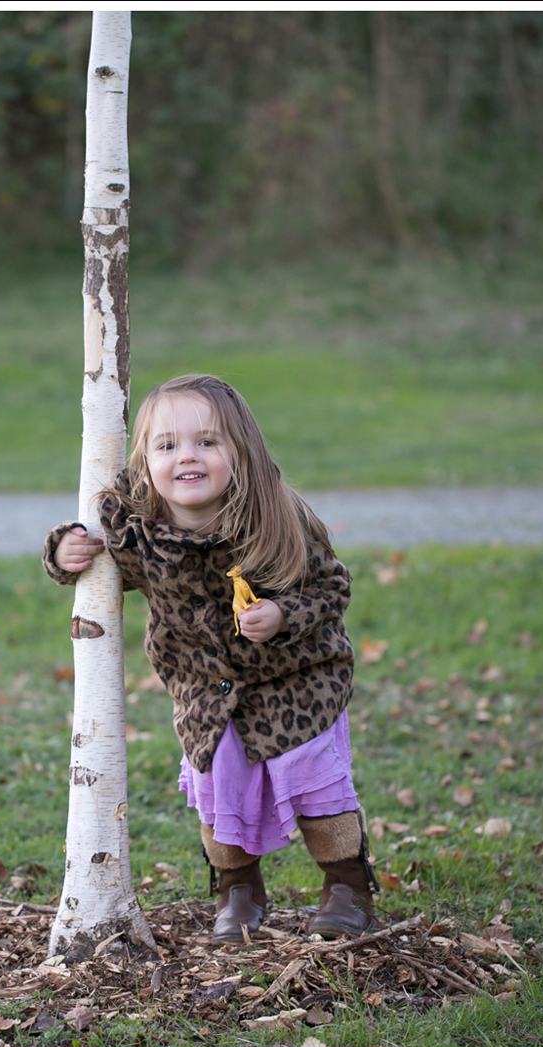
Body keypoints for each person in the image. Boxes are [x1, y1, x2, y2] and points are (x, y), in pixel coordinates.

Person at [43, 374, 379, 944]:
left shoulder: (274, 517)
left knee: (316, 785)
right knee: (220, 789)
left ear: (239, 452)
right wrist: (64, 551)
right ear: (145, 460)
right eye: (166, 446)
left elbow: (331, 588)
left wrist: (280, 616)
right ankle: (237, 891)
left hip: (296, 682)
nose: (186, 457)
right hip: (205, 689)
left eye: (206, 442)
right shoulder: (140, 528)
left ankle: (347, 888)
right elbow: (104, 571)